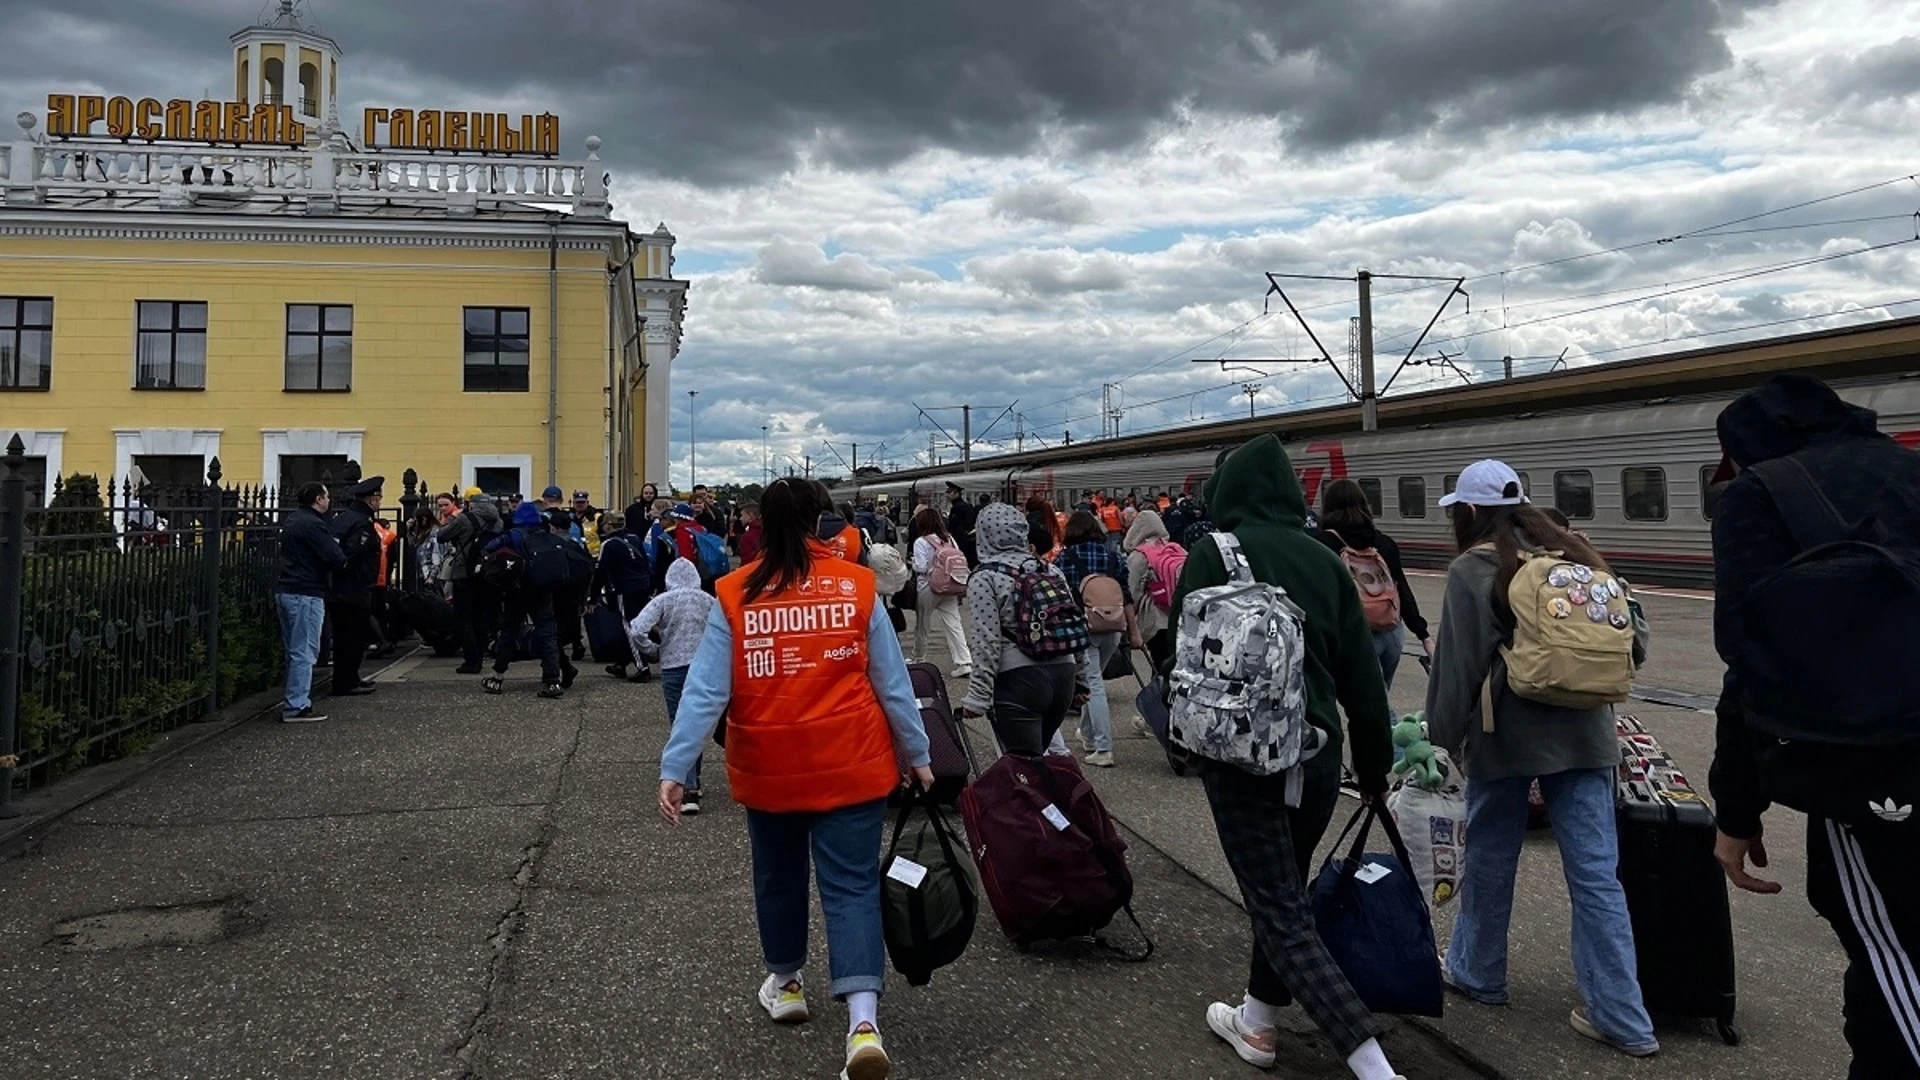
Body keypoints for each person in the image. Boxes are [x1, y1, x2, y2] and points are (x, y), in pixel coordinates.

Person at [657, 477, 933, 1080]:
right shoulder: (857, 587)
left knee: (778, 878)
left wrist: (677, 765)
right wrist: (917, 751)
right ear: (818, 524)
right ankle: (863, 1023)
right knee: (853, 887)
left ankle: (785, 985)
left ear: (762, 523)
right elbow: (892, 681)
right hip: (852, 761)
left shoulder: (734, 593)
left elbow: (706, 689)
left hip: (770, 766)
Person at [1708, 374, 1920, 1079]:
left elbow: (1749, 669)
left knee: (1895, 967)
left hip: (1874, 772)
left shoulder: (1760, 495)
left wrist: (1738, 809)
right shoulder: (1910, 471)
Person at [1172, 435, 1403, 1080]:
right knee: (1284, 895)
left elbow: (1179, 660)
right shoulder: (1327, 561)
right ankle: (1257, 1022)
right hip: (1320, 758)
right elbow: (1364, 684)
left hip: (1243, 761)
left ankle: (1373, 1064)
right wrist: (1377, 768)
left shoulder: (1210, 553)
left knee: (1280, 911)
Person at [1424, 458, 1658, 1059]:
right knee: (1596, 877)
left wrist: (1438, 740)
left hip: (1506, 736)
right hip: (1588, 736)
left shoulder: (1474, 569)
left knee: (1492, 858)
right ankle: (1624, 1017)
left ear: (1469, 512)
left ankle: (1479, 973)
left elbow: (1458, 667)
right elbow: (1636, 641)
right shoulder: (1579, 558)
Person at [957, 503, 1088, 757]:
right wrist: (1081, 681)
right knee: (1043, 763)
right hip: (1063, 676)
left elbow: (987, 642)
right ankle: (1063, 795)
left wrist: (978, 698)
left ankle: (1050, 796)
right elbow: (1074, 623)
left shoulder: (985, 577)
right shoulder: (1050, 570)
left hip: (1019, 681)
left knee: (1025, 769)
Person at [1312, 478, 1433, 690]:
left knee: (1377, 709)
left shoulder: (1321, 545)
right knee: (1381, 696)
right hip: (1391, 632)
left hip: (1358, 635)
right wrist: (1423, 635)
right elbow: (1402, 589)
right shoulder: (1383, 542)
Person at [630, 558, 717, 812]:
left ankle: (688, 789)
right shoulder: (707, 600)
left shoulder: (663, 600)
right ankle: (694, 781)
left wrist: (652, 650)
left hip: (673, 667)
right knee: (697, 722)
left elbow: (636, 629)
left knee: (681, 725)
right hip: (703, 667)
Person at [1056, 510, 1133, 768]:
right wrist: (1134, 632)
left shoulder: (1065, 558)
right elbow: (1127, 596)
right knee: (1093, 682)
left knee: (1093, 685)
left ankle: (1104, 748)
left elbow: (1058, 595)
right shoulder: (1113, 556)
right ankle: (1088, 735)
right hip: (1113, 627)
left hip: (1082, 628)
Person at [482, 502, 577, 698]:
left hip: (518, 590)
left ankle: (497, 677)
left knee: (509, 632)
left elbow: (490, 547)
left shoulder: (514, 535)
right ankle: (553, 680)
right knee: (547, 633)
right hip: (543, 589)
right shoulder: (546, 534)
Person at [275, 481, 346, 722]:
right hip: (306, 591)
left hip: (287, 588)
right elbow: (335, 556)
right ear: (318, 499)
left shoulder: (293, 520)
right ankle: (297, 705)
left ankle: (294, 698)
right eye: (326, 497)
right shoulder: (314, 525)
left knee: (293, 650)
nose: (328, 501)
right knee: (304, 651)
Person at [327, 476, 384, 698]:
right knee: (352, 637)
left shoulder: (342, 518)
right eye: (378, 498)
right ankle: (346, 681)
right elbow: (355, 554)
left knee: (345, 637)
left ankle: (349, 678)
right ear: (371, 500)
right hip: (352, 588)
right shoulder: (362, 522)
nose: (379, 502)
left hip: (339, 588)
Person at [438, 485, 503, 674]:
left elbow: (442, 536)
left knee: (464, 617)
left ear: (471, 504)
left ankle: (471, 660)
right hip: (488, 573)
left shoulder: (465, 518)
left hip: (464, 572)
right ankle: (481, 654)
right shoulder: (497, 521)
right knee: (481, 616)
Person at [909, 506, 973, 677]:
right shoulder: (950, 539)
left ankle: (918, 657)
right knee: (954, 623)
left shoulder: (921, 542)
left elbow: (921, 567)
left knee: (923, 624)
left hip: (928, 588)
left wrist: (912, 563)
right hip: (949, 586)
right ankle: (964, 661)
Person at [592, 512, 655, 682]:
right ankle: (621, 662)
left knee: (629, 627)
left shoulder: (609, 544)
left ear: (608, 526)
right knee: (633, 625)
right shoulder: (634, 538)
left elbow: (601, 573)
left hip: (625, 589)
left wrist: (593, 597)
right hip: (643, 585)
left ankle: (642, 667)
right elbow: (645, 562)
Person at [1123, 507, 1175, 673]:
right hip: (1178, 616)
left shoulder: (1140, 555)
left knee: (1159, 663)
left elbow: (1133, 590)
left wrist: (1131, 620)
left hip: (1156, 618)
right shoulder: (1175, 549)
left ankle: (1159, 697)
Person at [943, 482, 978, 567]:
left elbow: (955, 527)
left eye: (949, 492)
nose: (947, 495)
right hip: (971, 543)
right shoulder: (967, 506)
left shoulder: (957, 508)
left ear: (956, 493)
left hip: (962, 544)